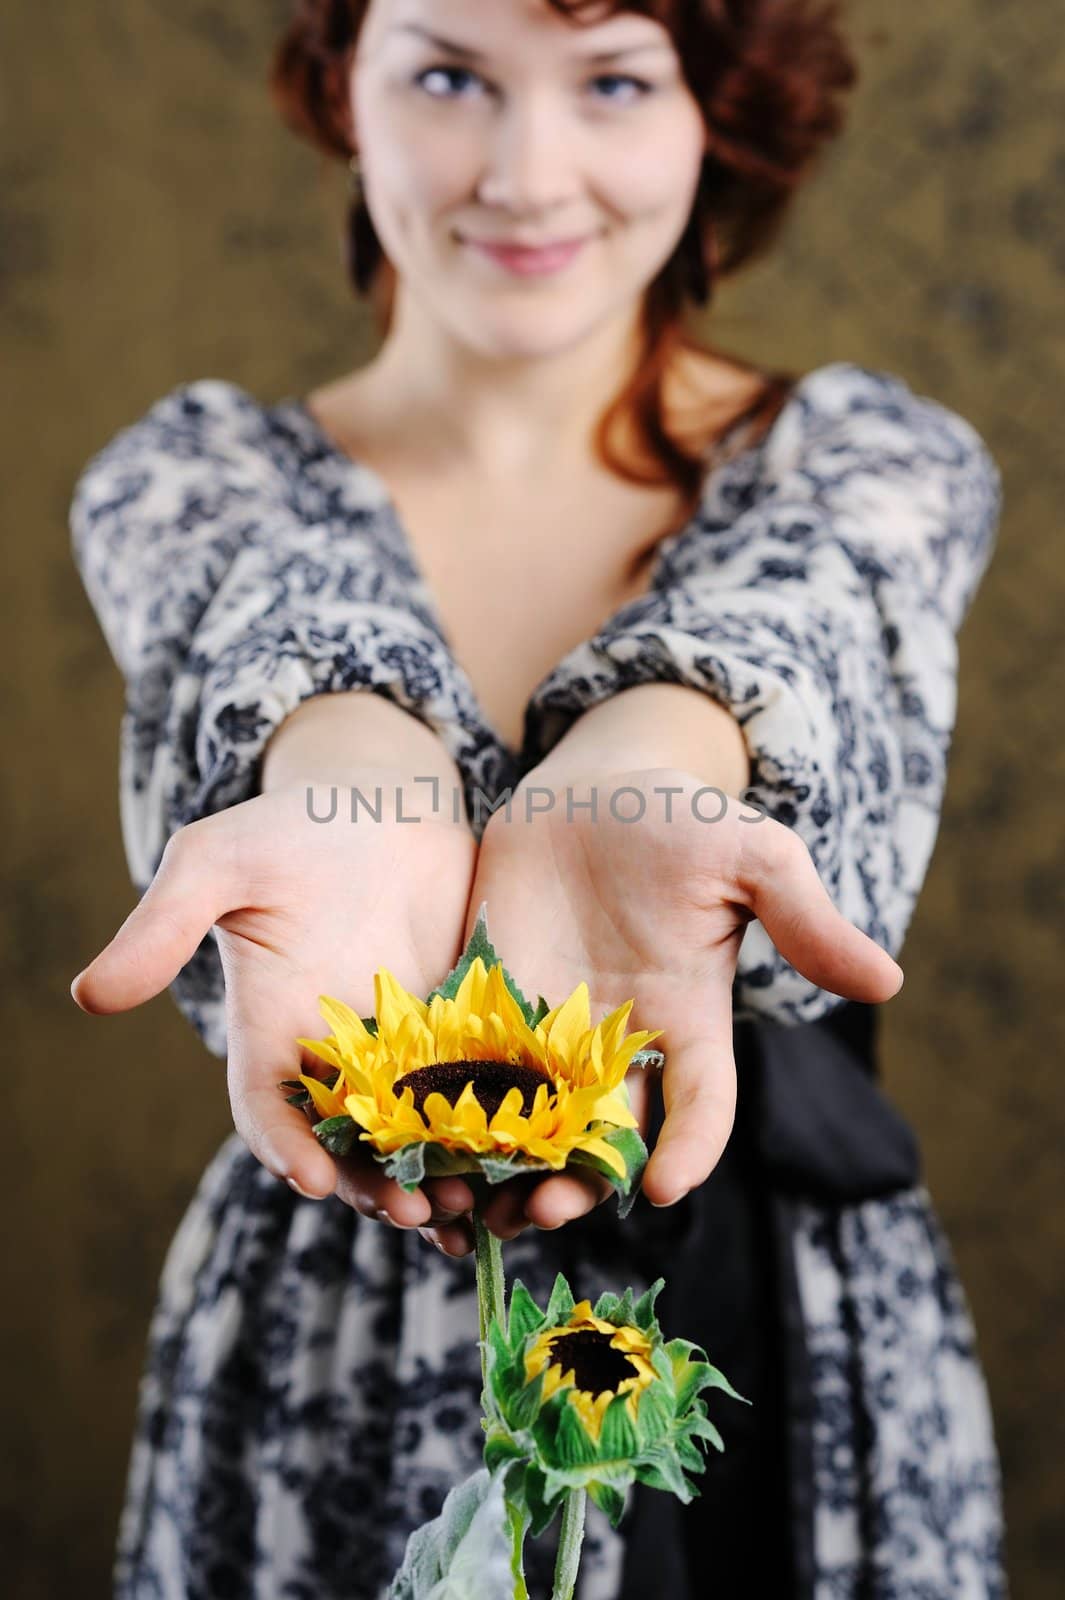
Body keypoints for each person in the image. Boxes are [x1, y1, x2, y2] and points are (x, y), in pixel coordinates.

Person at [68, 0, 1008, 1595]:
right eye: (447, 75)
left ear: (718, 112)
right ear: (338, 89)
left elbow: (788, 622)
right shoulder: (196, 485)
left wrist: (649, 769)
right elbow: (292, 637)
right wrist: (355, 782)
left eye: (614, 82)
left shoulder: (865, 468)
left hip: (786, 1325)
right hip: (350, 1310)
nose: (524, 170)